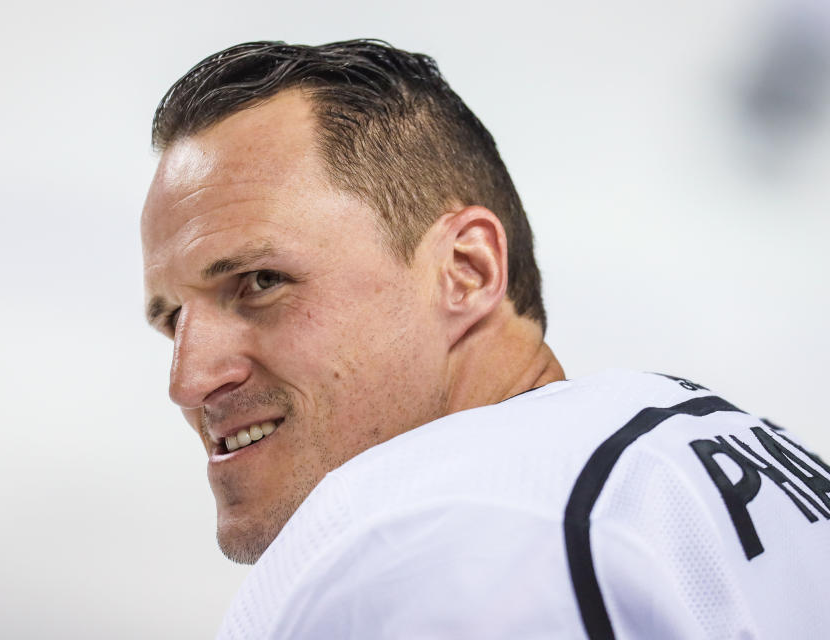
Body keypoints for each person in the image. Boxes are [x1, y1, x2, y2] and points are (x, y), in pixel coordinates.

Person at [140, 40, 830, 639]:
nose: (189, 380)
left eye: (262, 281)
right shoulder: (734, 456)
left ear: (466, 273)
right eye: (172, 317)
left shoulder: (430, 540)